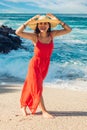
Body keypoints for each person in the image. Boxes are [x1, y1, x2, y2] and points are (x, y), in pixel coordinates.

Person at [15, 13, 72, 118]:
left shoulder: (52, 35)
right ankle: (44, 111)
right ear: (37, 26)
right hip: (35, 64)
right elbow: (17, 32)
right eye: (40, 23)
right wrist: (30, 20)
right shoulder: (34, 37)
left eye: (45, 23)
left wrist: (58, 20)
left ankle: (23, 106)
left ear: (49, 25)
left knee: (31, 85)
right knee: (37, 87)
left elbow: (69, 30)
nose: (42, 25)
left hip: (45, 65)